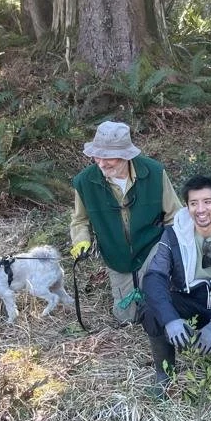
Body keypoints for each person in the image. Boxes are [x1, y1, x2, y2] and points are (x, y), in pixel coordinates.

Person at [139, 176, 211, 389]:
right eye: (194, 203)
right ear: (186, 206)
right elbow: (154, 277)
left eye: (207, 202)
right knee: (151, 310)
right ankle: (164, 372)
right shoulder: (174, 234)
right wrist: (170, 319)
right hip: (189, 297)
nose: (201, 210)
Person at [70, 121, 181, 325]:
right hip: (116, 255)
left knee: (157, 304)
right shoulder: (84, 182)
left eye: (108, 157)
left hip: (152, 247)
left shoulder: (154, 172)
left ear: (126, 156)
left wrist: (173, 251)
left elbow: (175, 215)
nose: (101, 163)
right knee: (127, 318)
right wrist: (81, 240)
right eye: (97, 155)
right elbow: (80, 220)